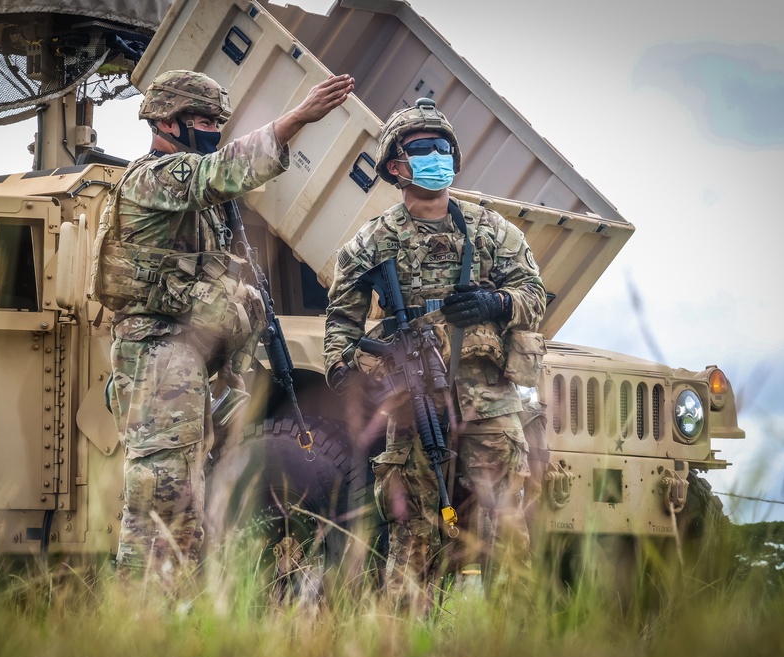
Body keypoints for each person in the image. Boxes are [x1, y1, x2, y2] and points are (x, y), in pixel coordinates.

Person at [96, 69, 354, 590]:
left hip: (184, 366)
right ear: (166, 122)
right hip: (155, 361)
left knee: (184, 502)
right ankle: (138, 622)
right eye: (203, 119)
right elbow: (219, 171)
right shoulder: (156, 178)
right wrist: (296, 120)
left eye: (219, 119)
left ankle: (172, 616)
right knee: (159, 500)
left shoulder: (200, 202)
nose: (213, 127)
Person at [323, 98, 546, 608]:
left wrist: (498, 300)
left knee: (505, 530)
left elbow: (534, 297)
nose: (436, 157)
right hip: (413, 403)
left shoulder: (493, 232)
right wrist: (345, 374)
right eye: (423, 149)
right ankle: (403, 641)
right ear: (396, 166)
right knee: (413, 530)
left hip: (488, 403)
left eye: (443, 147)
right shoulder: (373, 241)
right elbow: (342, 319)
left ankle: (514, 642)